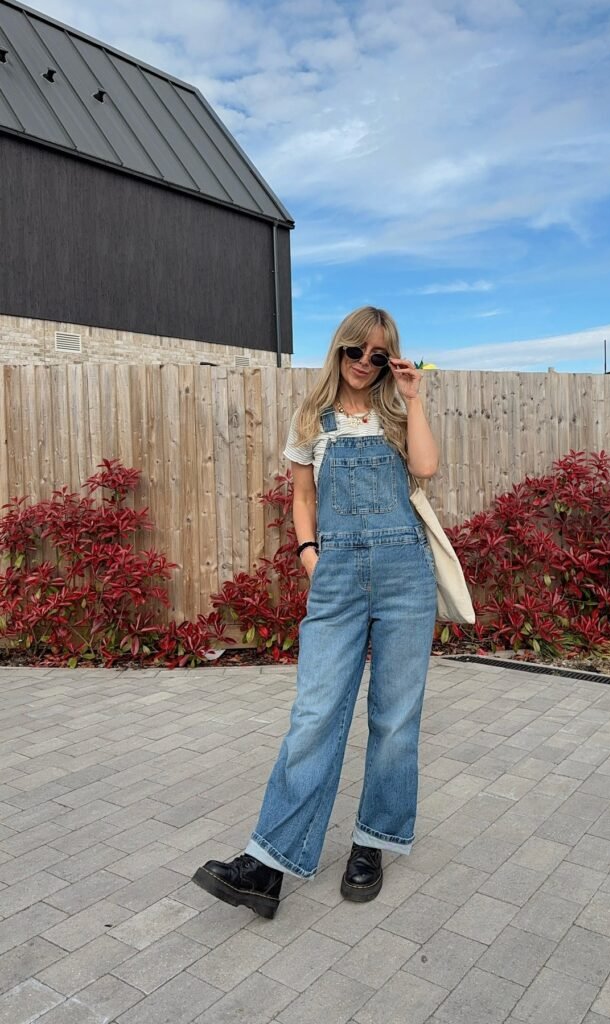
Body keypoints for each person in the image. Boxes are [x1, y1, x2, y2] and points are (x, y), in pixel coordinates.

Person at [193, 306, 439, 919]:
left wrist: (414, 397)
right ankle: (267, 866)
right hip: (336, 577)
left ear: (388, 361)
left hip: (405, 574)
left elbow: (425, 469)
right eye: (355, 351)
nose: (364, 363)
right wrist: (309, 555)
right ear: (339, 350)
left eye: (377, 356)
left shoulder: (395, 414)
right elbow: (302, 496)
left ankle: (372, 842)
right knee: (314, 715)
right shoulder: (311, 417)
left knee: (395, 718)